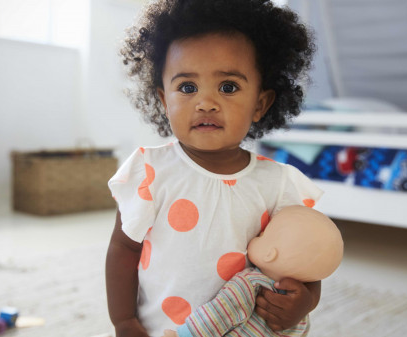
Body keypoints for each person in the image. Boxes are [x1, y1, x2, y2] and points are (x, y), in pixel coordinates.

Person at [106, 0, 319, 336]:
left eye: (228, 87)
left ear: (260, 104)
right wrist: (124, 321)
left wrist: (305, 301)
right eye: (187, 88)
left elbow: (303, 259)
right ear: (164, 100)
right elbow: (123, 249)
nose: (206, 102)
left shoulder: (278, 184)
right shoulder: (150, 170)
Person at [162, 205, 344, 337]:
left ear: (270, 254)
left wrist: (183, 335)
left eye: (263, 233)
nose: (258, 234)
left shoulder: (250, 283)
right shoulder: (301, 317)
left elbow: (216, 317)